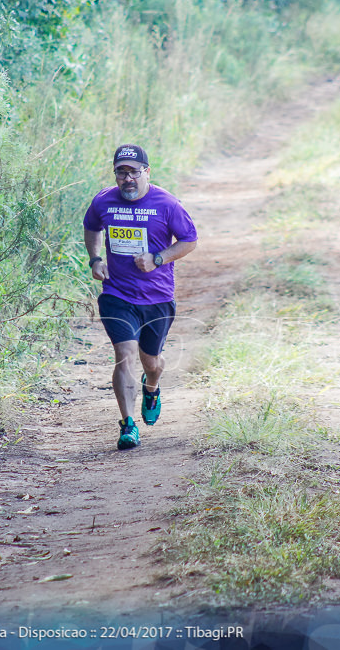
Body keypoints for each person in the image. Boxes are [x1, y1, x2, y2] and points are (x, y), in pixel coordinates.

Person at [83, 144, 198, 450]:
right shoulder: (103, 201)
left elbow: (189, 240)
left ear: (146, 172)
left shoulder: (167, 203)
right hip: (117, 294)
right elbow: (91, 226)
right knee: (126, 355)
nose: (127, 178)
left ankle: (152, 387)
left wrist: (158, 259)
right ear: (116, 174)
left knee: (152, 362)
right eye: (121, 172)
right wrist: (96, 259)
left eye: (133, 171)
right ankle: (127, 425)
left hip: (157, 297)